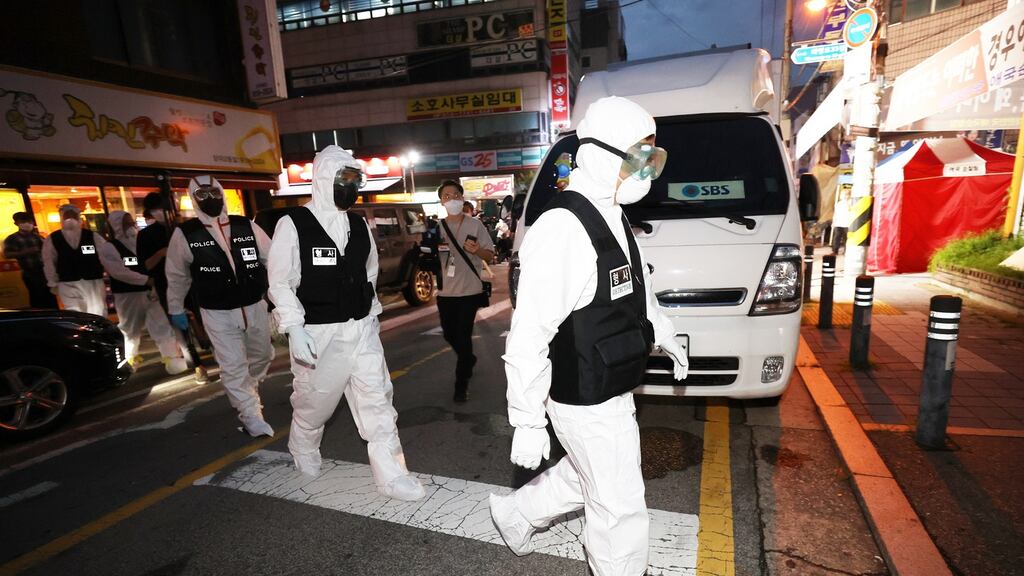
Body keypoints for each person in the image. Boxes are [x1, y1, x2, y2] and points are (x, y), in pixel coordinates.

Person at [489, 96, 689, 575]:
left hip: (611, 377)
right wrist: (527, 419)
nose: (647, 171)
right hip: (582, 391)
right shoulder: (562, 228)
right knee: (618, 503)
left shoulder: (613, 214)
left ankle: (516, 514)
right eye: (639, 158)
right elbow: (529, 334)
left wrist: (665, 333)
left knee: (591, 475)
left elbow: (637, 292)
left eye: (652, 158)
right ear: (602, 154)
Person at [266, 146, 424, 500]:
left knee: (378, 401)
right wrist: (294, 327)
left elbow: (367, 273)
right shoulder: (293, 224)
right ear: (324, 179)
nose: (350, 187)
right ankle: (303, 447)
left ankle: (391, 474)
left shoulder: (357, 222)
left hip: (361, 329)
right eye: (344, 179)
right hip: (319, 333)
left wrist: (371, 315)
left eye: (355, 180)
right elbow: (280, 281)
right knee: (315, 402)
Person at [165, 175, 275, 437]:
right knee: (233, 365)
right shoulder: (186, 234)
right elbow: (177, 276)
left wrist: (281, 294)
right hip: (217, 311)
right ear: (193, 198)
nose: (210, 199)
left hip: (254, 305)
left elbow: (273, 259)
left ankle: (249, 388)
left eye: (213, 192)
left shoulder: (245, 225)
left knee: (263, 355)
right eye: (202, 195)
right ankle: (252, 417)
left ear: (222, 193)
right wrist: (175, 308)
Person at [99, 210, 188, 374]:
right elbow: (118, 271)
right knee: (130, 329)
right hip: (128, 295)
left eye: (131, 222)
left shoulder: (140, 240)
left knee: (161, 326)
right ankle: (129, 361)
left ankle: (173, 360)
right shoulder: (109, 248)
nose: (131, 226)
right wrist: (146, 280)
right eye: (126, 223)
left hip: (150, 292)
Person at [435, 180, 494, 403]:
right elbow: (428, 257)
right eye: (446, 196)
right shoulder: (437, 228)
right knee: (450, 334)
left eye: (455, 195)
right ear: (441, 202)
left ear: (462, 198)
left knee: (463, 336)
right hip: (445, 293)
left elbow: (490, 256)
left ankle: (461, 385)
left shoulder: (475, 225)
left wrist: (477, 250)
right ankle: (469, 359)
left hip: (469, 292)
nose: (451, 200)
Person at [42, 204, 107, 316]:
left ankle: (97, 333)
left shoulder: (92, 236)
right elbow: (48, 262)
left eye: (73, 215)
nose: (70, 219)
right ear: (61, 218)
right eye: (67, 216)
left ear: (78, 217)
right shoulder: (53, 238)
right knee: (74, 312)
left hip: (93, 281)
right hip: (67, 282)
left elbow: (106, 255)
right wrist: (52, 282)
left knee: (97, 311)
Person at [3, 212, 57, 308]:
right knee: (37, 297)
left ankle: (53, 316)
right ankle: (39, 318)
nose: (27, 224)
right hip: (30, 272)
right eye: (23, 221)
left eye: (29, 221)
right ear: (16, 223)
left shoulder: (38, 236)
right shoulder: (12, 238)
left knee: (50, 297)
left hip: (45, 271)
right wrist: (24, 252)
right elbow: (7, 254)